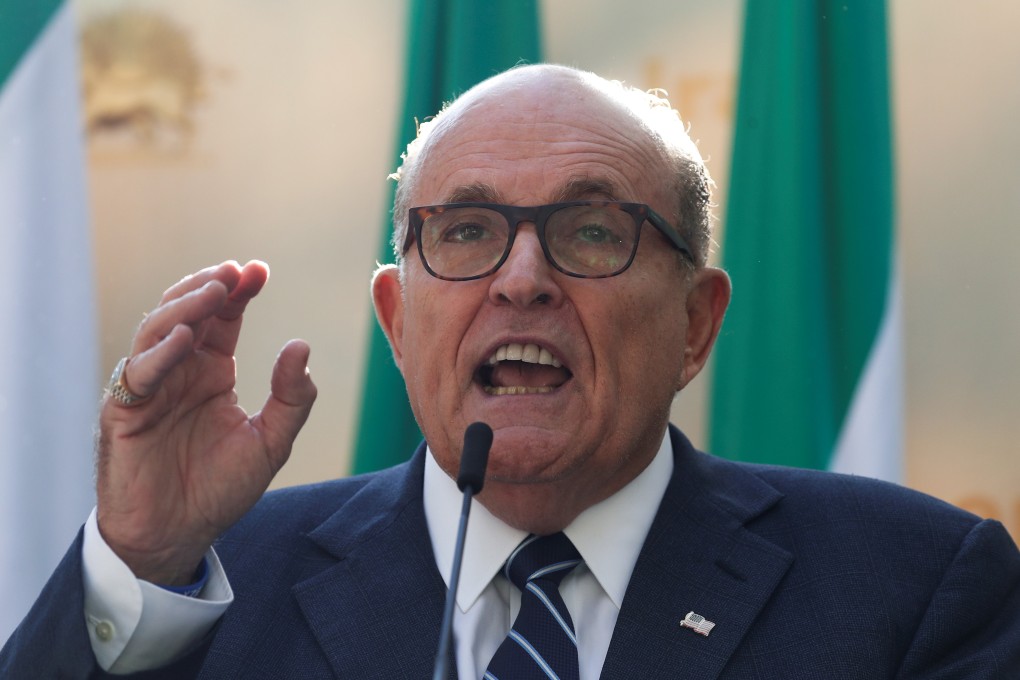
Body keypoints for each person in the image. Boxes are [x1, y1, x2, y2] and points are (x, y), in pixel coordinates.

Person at [2, 64, 1018, 679]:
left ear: (696, 325)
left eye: (589, 229)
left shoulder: (913, 587)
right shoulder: (217, 588)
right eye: (468, 230)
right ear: (398, 321)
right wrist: (136, 560)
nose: (521, 279)